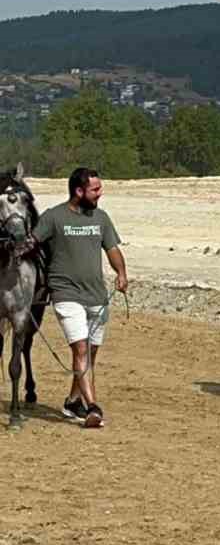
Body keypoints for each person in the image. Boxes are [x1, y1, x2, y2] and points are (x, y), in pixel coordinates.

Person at [32, 167, 128, 429]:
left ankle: (73, 401)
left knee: (89, 355)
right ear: (78, 191)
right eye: (95, 189)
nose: (100, 193)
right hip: (66, 293)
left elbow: (112, 249)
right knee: (81, 349)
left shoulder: (101, 218)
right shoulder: (53, 217)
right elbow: (31, 244)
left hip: (97, 295)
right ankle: (92, 408)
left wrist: (121, 273)